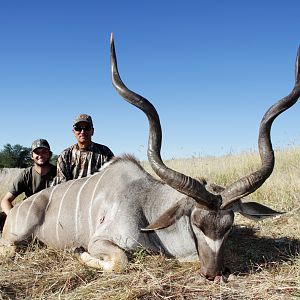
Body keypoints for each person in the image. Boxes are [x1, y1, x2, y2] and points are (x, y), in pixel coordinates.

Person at [0, 139, 57, 217]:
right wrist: (13, 218)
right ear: (32, 156)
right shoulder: (26, 174)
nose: (40, 155)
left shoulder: (59, 173)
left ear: (49, 154)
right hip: (29, 215)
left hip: (52, 214)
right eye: (37, 152)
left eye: (44, 151)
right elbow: (5, 201)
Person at [53, 113, 114, 185]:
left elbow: (112, 178)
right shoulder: (65, 155)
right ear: (73, 131)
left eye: (86, 128)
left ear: (92, 131)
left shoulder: (105, 152)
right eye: (78, 128)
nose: (82, 131)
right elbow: (62, 184)